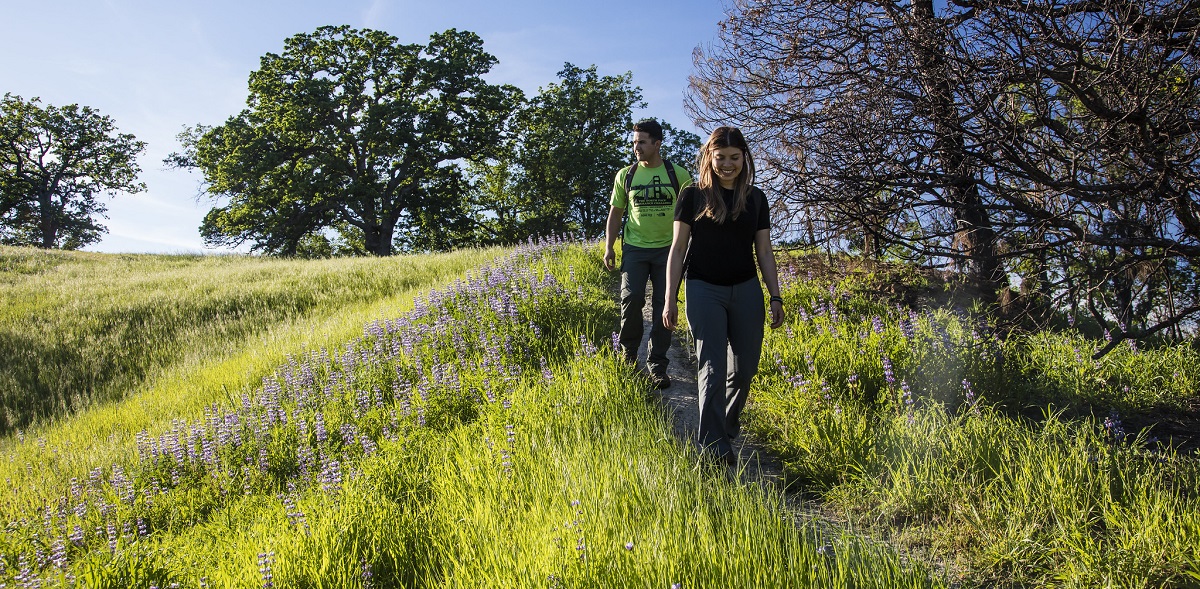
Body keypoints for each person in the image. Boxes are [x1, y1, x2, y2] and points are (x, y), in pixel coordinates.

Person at [663, 126, 785, 465]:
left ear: (744, 158)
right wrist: (670, 297)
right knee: (712, 368)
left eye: (734, 158)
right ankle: (713, 446)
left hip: (746, 289)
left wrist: (775, 296)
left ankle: (726, 425)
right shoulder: (692, 196)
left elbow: (764, 250)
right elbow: (677, 249)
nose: (728, 165)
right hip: (703, 288)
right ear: (709, 158)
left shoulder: (756, 199)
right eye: (721, 158)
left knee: (744, 370)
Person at [604, 119, 693, 389]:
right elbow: (616, 213)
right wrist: (609, 246)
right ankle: (628, 356)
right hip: (635, 248)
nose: (636, 147)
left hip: (670, 250)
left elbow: (693, 216)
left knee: (662, 308)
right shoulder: (626, 175)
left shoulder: (679, 176)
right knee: (631, 298)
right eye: (634, 142)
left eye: (642, 142)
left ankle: (657, 365)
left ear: (657, 143)